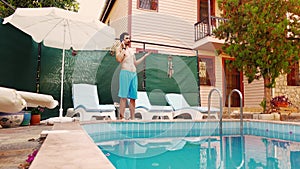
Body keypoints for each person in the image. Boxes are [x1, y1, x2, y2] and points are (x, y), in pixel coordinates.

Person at [116, 32, 151, 120]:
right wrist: (123, 48)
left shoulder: (131, 50)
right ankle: (122, 117)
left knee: (133, 97)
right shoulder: (119, 49)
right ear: (122, 40)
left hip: (133, 74)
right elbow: (119, 59)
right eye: (127, 38)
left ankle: (132, 118)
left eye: (129, 38)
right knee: (123, 96)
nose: (129, 40)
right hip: (125, 73)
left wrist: (145, 57)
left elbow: (135, 63)